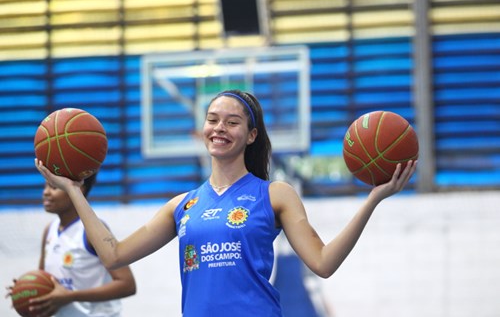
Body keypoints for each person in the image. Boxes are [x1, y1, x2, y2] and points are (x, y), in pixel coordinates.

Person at [35, 89, 417, 317]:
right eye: (212, 119)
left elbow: (324, 263)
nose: (219, 128)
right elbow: (114, 255)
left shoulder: (274, 194)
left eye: (232, 122)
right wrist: (73, 190)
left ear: (251, 135)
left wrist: (373, 199)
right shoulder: (181, 206)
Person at [10, 174, 137, 317]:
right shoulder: (49, 230)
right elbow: (44, 279)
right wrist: (26, 289)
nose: (45, 192)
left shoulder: (92, 231)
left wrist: (72, 296)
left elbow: (127, 285)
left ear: (78, 189)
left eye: (54, 187)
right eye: (45, 186)